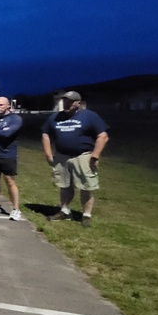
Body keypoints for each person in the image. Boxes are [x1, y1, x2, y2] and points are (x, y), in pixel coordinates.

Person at [41, 91, 109, 227]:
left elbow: (103, 136)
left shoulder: (89, 116)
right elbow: (45, 134)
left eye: (70, 102)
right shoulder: (56, 117)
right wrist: (48, 153)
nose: (66, 104)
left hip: (83, 156)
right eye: (65, 101)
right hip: (62, 156)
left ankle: (86, 215)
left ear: (78, 103)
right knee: (64, 185)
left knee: (86, 186)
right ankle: (65, 211)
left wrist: (95, 155)